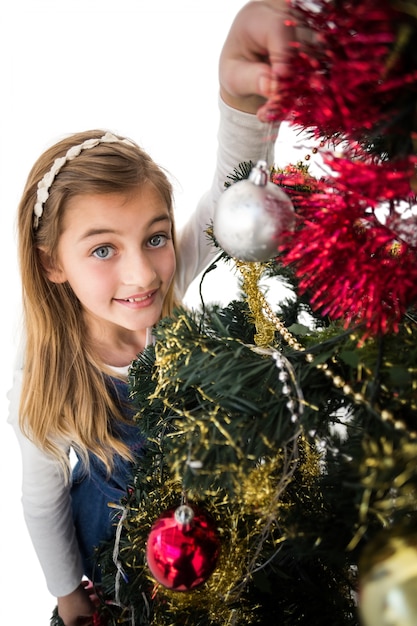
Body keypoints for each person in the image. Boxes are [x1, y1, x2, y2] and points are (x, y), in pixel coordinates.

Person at [7, 2, 296, 625]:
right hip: (123, 585)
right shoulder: (45, 371)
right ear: (53, 263)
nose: (141, 275)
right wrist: (69, 598)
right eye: (103, 249)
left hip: (215, 553)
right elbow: (42, 503)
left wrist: (239, 102)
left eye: (156, 237)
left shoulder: (162, 303)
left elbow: (231, 200)